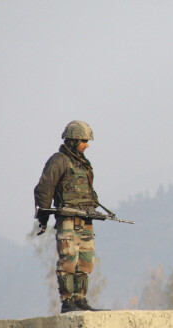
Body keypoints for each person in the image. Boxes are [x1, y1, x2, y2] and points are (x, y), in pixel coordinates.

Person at [34, 120, 104, 313]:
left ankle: (80, 300)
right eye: (84, 141)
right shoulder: (59, 161)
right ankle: (67, 302)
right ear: (73, 140)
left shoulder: (83, 164)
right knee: (68, 261)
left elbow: (89, 191)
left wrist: (93, 208)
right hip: (67, 220)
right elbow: (44, 189)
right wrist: (43, 218)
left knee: (86, 261)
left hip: (85, 219)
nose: (87, 145)